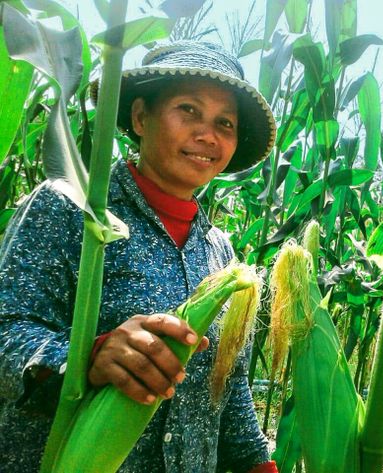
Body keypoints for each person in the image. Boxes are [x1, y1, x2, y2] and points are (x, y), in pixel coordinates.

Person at [0, 41, 278, 473]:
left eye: (225, 123)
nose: (208, 134)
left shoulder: (222, 253)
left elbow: (230, 383)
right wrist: (85, 358)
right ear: (140, 116)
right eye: (189, 110)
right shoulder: (71, 207)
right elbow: (6, 330)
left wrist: (258, 465)